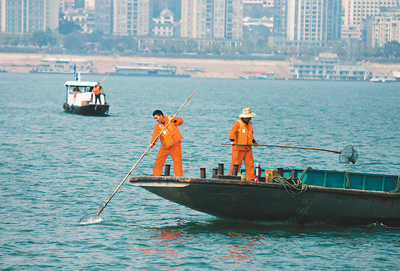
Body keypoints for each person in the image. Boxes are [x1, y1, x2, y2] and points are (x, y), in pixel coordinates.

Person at [149, 110, 184, 176]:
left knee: (177, 161)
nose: (156, 120)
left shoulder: (170, 118)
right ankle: (156, 174)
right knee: (159, 161)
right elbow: (155, 136)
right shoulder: (158, 126)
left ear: (161, 116)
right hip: (165, 146)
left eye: (156, 118)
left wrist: (174, 120)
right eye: (155, 118)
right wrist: (152, 143)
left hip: (175, 145)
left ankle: (179, 176)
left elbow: (181, 121)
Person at [228, 108, 259, 181]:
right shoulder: (237, 123)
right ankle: (231, 178)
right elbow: (232, 133)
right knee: (236, 164)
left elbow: (250, 134)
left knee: (250, 164)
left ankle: (251, 179)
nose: (250, 118)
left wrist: (254, 141)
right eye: (248, 117)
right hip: (238, 148)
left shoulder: (250, 124)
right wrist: (232, 140)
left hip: (248, 148)